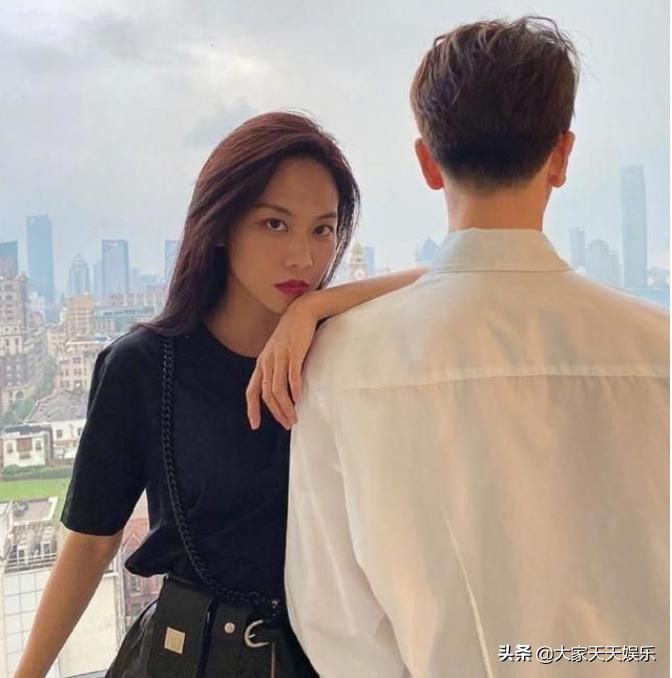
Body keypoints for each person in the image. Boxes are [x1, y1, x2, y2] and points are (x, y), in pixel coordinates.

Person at [285, 16, 669, 677]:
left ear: (427, 163)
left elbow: (336, 624)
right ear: (562, 156)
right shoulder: (659, 350)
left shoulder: (342, 361)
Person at [15, 112, 426, 678]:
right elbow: (90, 544)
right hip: (194, 656)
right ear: (221, 225)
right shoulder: (144, 366)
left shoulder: (343, 355)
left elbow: (446, 280)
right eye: (275, 224)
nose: (303, 258)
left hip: (334, 660)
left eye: (322, 230)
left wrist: (314, 307)